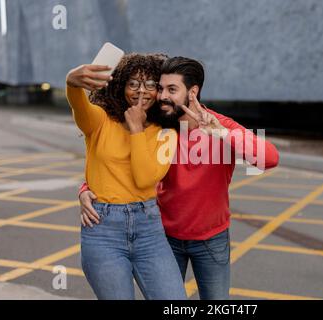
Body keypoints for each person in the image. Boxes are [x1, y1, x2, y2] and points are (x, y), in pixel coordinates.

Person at [79, 56, 279, 299]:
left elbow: (269, 159)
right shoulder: (157, 127)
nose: (162, 96)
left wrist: (223, 134)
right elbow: (115, 163)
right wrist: (87, 187)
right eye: (160, 88)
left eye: (172, 90)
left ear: (193, 91)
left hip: (211, 238)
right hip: (164, 236)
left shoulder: (220, 126)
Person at [66, 53, 187, 300]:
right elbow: (79, 105)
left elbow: (145, 179)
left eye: (150, 85)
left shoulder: (165, 132)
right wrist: (72, 83)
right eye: (133, 83)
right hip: (103, 231)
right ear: (121, 87)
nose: (141, 91)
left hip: (149, 230)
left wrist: (136, 130)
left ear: (159, 91)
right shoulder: (100, 121)